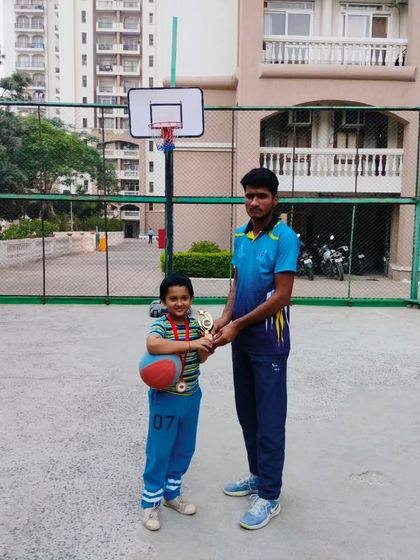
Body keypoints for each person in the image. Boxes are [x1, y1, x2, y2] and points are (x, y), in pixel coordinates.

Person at [212, 168, 300, 531]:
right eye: (249, 195)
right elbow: (236, 285)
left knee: (269, 422)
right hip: (240, 339)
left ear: (275, 199)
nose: (253, 202)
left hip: (269, 344)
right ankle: (256, 476)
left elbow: (282, 296)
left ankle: (270, 495)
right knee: (247, 415)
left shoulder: (285, 237)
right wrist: (224, 318)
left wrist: (237, 325)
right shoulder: (240, 235)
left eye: (261, 196)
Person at [141, 273, 214, 531]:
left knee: (185, 448)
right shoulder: (161, 325)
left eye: (184, 298)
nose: (179, 303)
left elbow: (201, 359)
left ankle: (172, 495)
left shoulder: (196, 325)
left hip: (191, 396)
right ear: (164, 301)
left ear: (191, 299)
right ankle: (150, 503)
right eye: (173, 299)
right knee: (160, 450)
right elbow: (152, 345)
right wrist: (193, 343)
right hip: (167, 399)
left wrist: (206, 345)